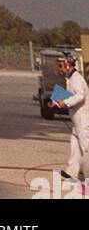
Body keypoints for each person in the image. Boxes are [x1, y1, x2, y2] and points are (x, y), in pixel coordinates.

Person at [51, 52, 89, 186]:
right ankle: (72, 171)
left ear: (67, 65)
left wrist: (65, 103)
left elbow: (80, 95)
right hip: (77, 118)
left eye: (61, 65)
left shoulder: (76, 79)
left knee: (86, 146)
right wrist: (57, 101)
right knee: (75, 143)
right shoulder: (70, 79)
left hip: (83, 118)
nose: (59, 68)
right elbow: (70, 95)